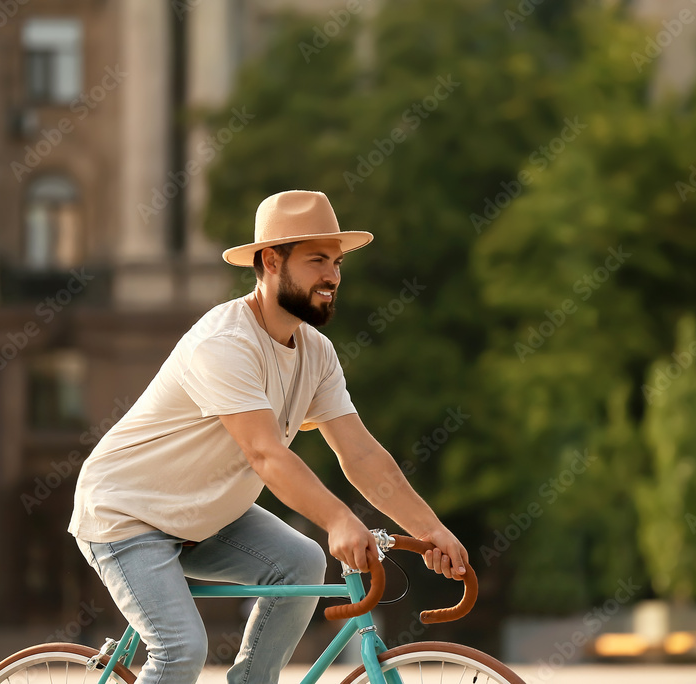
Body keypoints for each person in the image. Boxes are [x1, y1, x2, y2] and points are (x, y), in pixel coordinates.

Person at [69, 190, 468, 684]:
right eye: (317, 260)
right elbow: (265, 453)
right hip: (127, 511)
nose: (333, 276)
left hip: (207, 514)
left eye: (338, 262)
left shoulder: (315, 353)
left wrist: (432, 531)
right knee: (179, 651)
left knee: (300, 561)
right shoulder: (226, 343)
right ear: (272, 261)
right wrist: (340, 520)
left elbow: (361, 454)